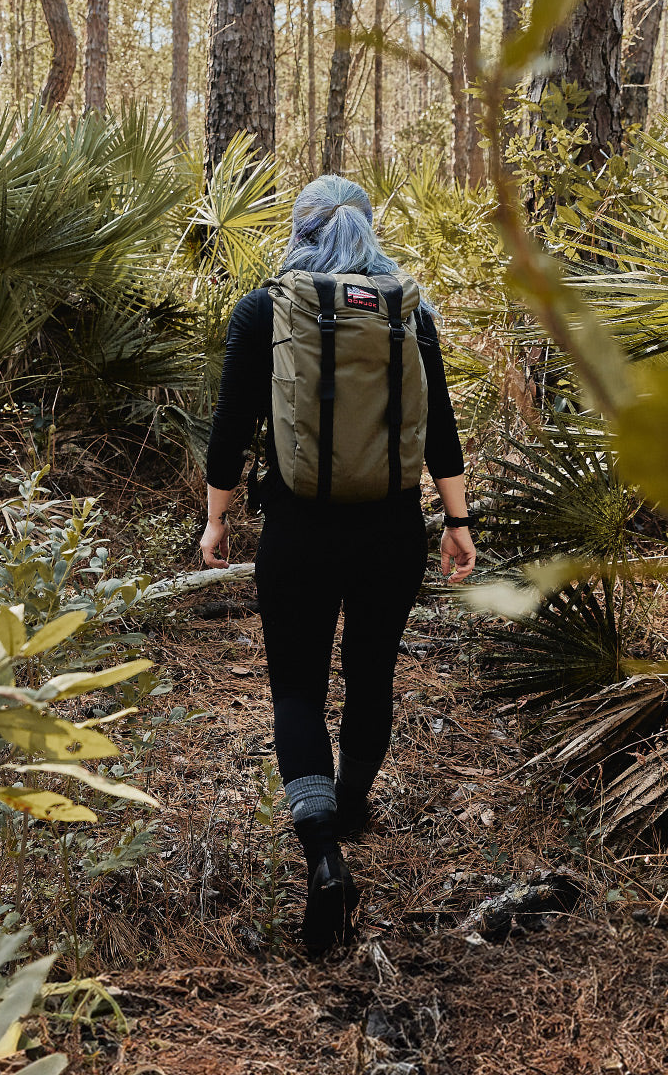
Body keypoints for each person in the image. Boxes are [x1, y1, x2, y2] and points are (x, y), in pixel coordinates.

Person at [200, 175, 475, 955]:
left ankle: (324, 855)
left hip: (299, 532)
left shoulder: (265, 309)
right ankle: (351, 804)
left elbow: (231, 428)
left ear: (301, 229)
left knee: (295, 687)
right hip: (392, 531)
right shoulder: (407, 310)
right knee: (373, 676)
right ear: (367, 227)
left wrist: (217, 519)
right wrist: (457, 522)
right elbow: (441, 429)